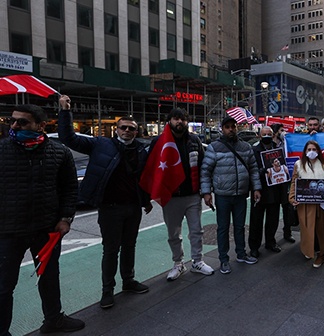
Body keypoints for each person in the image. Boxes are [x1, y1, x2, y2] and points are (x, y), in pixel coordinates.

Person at [58, 95, 152, 309]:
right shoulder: (100, 144)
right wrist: (64, 111)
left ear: (136, 131)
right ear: (116, 130)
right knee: (111, 250)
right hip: (109, 209)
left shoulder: (140, 150)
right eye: (123, 128)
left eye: (131, 128)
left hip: (132, 207)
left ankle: (128, 281)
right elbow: (69, 138)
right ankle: (107, 291)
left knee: (130, 246)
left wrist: (146, 200)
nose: (127, 131)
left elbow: (143, 178)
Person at [1, 104, 85, 335]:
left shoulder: (60, 152)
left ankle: (53, 320)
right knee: (3, 286)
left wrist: (66, 218)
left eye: (22, 122)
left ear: (41, 125)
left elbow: (69, 189)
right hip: (8, 231)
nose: (15, 125)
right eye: (13, 121)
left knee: (49, 277)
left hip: (46, 229)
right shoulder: (2, 150)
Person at [148, 108, 214, 281]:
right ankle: (178, 263)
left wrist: (206, 192)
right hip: (171, 197)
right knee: (173, 234)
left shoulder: (194, 140)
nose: (180, 122)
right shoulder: (159, 141)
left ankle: (197, 261)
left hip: (192, 195)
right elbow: (150, 169)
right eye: (176, 118)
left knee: (196, 231)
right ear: (169, 121)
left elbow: (203, 167)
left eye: (183, 119)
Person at [201, 116, 262, 274]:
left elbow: (254, 169)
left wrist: (256, 188)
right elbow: (205, 171)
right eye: (227, 127)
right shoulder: (214, 147)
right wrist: (206, 193)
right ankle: (223, 259)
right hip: (222, 195)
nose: (231, 129)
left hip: (241, 194)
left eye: (233, 126)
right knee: (222, 228)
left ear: (237, 127)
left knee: (240, 226)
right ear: (222, 128)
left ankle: (241, 253)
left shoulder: (245, 147)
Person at [289, 140, 324, 268]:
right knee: (307, 228)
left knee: (321, 229)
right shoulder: (299, 164)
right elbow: (294, 182)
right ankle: (308, 250)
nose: (311, 152)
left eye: (314, 149)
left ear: (318, 151)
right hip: (305, 203)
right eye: (309, 149)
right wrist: (292, 198)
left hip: (321, 204)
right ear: (305, 151)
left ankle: (321, 254)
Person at [248, 126, 288, 259]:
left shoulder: (279, 149)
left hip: (275, 189)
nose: (266, 136)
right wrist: (264, 171)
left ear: (273, 135)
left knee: (273, 218)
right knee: (256, 220)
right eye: (264, 134)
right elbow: (251, 171)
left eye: (269, 134)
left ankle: (270, 242)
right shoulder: (254, 150)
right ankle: (254, 247)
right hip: (260, 190)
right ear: (259, 136)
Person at [271, 123, 296, 243]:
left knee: (287, 208)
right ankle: (271, 238)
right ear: (275, 132)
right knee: (274, 212)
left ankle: (288, 232)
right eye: (281, 130)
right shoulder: (269, 145)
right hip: (274, 182)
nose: (284, 132)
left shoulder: (287, 144)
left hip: (286, 180)